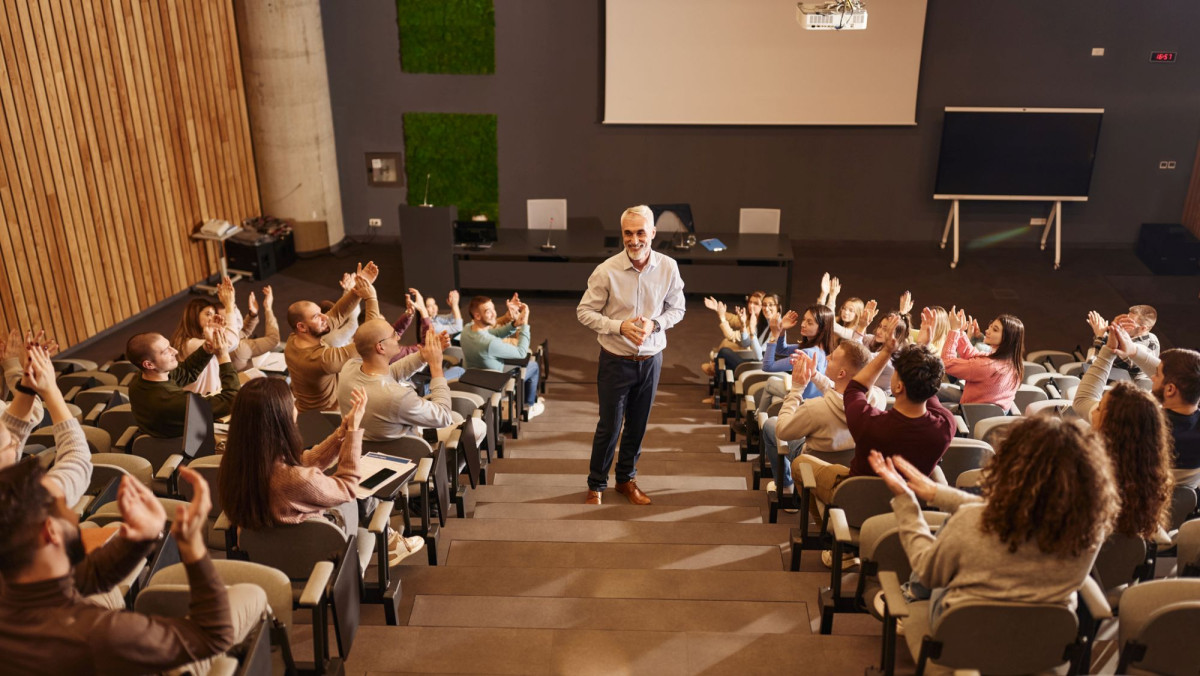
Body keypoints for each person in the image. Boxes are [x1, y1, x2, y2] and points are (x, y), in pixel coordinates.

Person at [0, 460, 269, 674]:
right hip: (144, 660)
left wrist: (143, 537)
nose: (73, 512)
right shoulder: (98, 634)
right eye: (63, 504)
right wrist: (193, 547)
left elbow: (85, 577)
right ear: (50, 532)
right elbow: (213, 635)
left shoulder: (15, 584)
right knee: (253, 594)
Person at [869, 413, 1118, 628]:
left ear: (1012, 466)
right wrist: (938, 494)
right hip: (1042, 641)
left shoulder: (971, 521)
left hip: (965, 634)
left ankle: (907, 599)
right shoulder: (1089, 531)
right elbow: (1012, 514)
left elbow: (927, 572)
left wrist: (906, 503)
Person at [218, 377, 426, 565]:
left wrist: (341, 433)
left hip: (264, 556)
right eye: (292, 404)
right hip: (313, 553)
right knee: (359, 497)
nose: (296, 408)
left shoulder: (239, 464)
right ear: (280, 418)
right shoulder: (295, 479)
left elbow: (303, 461)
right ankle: (385, 545)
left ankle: (390, 541)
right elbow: (348, 486)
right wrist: (353, 433)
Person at [794, 316, 955, 539]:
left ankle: (832, 536)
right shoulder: (946, 425)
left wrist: (887, 351)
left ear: (897, 386)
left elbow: (856, 387)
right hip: (905, 505)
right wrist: (923, 349)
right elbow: (929, 386)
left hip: (857, 501)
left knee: (800, 464)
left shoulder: (869, 423)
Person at [577, 205, 685, 506]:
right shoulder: (606, 270)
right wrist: (618, 326)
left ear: (652, 233)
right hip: (615, 360)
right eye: (628, 233)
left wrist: (657, 323)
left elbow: (678, 308)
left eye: (640, 232)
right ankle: (596, 484)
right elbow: (584, 311)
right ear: (621, 234)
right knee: (609, 426)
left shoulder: (668, 267)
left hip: (651, 362)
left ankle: (626, 480)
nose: (634, 240)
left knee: (637, 426)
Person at [1074, 324, 1200, 489]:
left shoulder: (1134, 423)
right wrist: (1133, 351)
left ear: (1170, 389)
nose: (1152, 377)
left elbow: (1083, 400)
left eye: (1157, 374)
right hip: (1180, 513)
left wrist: (1108, 351)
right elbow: (1188, 376)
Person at [763, 341, 886, 504]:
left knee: (771, 424)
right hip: (851, 467)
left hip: (813, 465)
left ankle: (786, 485)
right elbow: (843, 395)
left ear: (841, 373)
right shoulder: (879, 399)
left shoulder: (814, 408)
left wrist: (797, 390)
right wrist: (814, 375)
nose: (827, 357)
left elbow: (783, 431)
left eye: (832, 357)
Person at [0, 345, 91, 507]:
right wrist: (51, 390)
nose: (16, 443)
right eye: (10, 444)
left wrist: (27, 384)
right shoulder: (28, 504)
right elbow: (77, 458)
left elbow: (12, 430)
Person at [337, 322, 458, 442]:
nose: (398, 337)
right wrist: (436, 365)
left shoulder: (349, 368)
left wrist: (423, 356)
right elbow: (444, 416)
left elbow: (388, 374)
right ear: (380, 347)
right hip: (412, 453)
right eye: (394, 334)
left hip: (364, 451)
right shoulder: (397, 396)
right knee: (470, 425)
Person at [285, 262, 381, 412]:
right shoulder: (322, 359)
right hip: (327, 415)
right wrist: (371, 298)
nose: (324, 317)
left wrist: (358, 289)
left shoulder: (294, 338)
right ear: (302, 327)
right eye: (317, 316)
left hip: (306, 410)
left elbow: (336, 315)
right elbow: (368, 341)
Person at [1087, 380, 1174, 540]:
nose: (1093, 413)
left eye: (1099, 409)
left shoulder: (1086, 475)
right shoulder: (1151, 481)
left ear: (1112, 426)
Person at [126, 327, 240, 438]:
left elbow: (186, 371)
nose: (174, 351)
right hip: (188, 450)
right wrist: (223, 355)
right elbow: (233, 400)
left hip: (160, 445)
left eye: (170, 346)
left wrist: (207, 348)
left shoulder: (139, 379)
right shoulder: (173, 400)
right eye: (166, 352)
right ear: (149, 364)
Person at [461, 294, 543, 419]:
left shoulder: (467, 329)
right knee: (533, 365)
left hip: (475, 379)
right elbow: (521, 352)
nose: (494, 314)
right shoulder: (490, 343)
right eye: (489, 312)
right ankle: (529, 407)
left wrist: (514, 324)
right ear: (477, 316)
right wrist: (524, 324)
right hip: (496, 383)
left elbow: (492, 332)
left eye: (493, 309)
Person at [940, 308, 1024, 412]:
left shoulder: (987, 366)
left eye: (995, 330)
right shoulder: (1011, 362)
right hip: (986, 415)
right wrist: (960, 331)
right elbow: (971, 354)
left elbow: (946, 363)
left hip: (969, 415)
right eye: (991, 326)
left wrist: (954, 330)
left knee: (928, 397)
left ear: (1007, 339)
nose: (987, 331)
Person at [1085, 305, 1159, 384]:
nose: (1122, 323)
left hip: (1115, 389)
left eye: (1129, 322)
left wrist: (1099, 336)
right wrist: (1108, 334)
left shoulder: (1131, 353)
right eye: (1125, 319)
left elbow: (1090, 367)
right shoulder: (1152, 337)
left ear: (1143, 328)